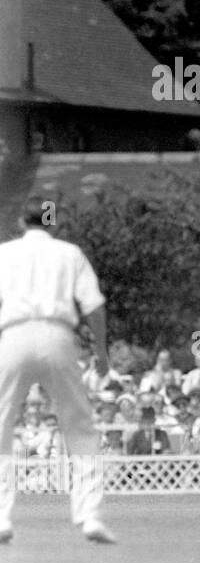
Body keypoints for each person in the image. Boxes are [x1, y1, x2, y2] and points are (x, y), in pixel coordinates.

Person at [0, 198, 115, 543]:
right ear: (51, 223)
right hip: (58, 335)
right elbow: (94, 307)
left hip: (14, 334)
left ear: (22, 221)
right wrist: (102, 352)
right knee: (79, 425)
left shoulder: (5, 253)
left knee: (1, 425)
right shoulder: (70, 253)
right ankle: (89, 516)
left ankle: (0, 519)